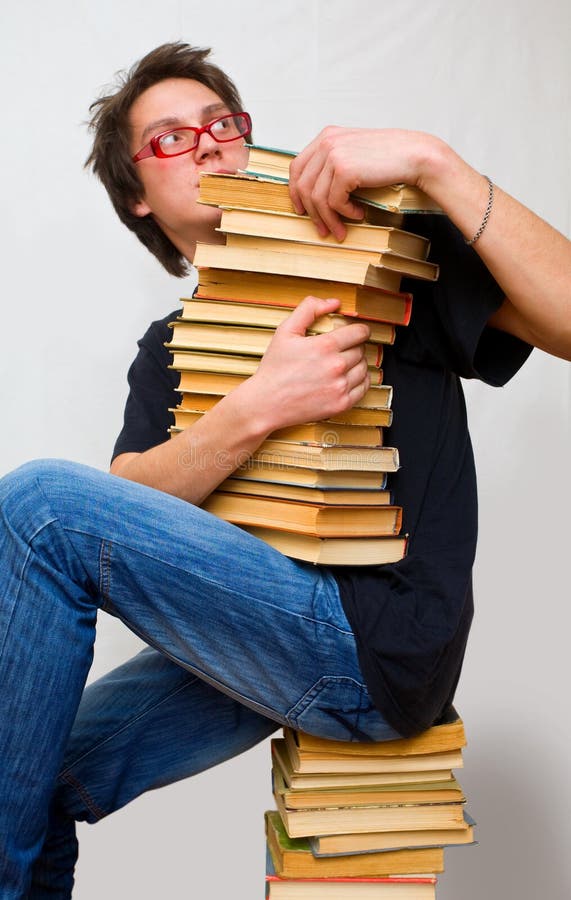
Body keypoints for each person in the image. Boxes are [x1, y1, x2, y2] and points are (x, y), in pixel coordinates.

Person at [0, 41, 569, 897]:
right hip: (255, 638)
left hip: (372, 645)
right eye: (167, 138)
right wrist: (254, 409)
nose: (204, 141)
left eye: (221, 123)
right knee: (24, 772)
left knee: (37, 506)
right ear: (136, 198)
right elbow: (124, 507)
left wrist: (433, 162)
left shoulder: (379, 262)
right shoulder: (167, 352)